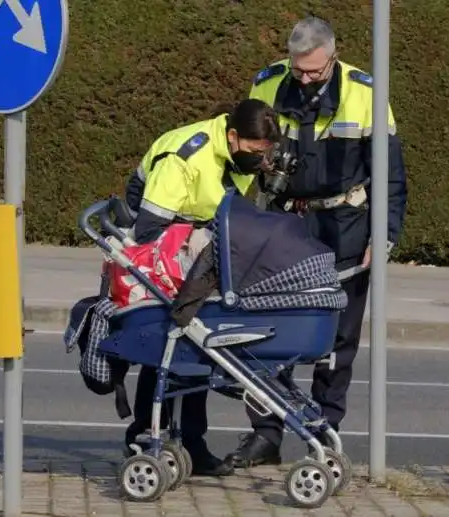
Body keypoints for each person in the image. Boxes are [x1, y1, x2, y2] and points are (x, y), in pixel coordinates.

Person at [226, 16, 409, 467]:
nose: (305, 79)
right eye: (298, 70)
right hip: (282, 225)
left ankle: (324, 434)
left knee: (337, 339)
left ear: (334, 55)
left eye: (314, 71)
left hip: (343, 224)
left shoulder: (366, 93)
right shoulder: (269, 83)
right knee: (267, 334)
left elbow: (391, 174)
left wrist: (383, 235)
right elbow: (240, 154)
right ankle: (265, 435)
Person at [122, 98, 281, 476]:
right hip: (161, 248)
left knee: (195, 345)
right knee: (169, 343)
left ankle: (190, 441)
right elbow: (148, 228)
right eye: (255, 153)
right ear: (232, 135)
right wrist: (202, 238)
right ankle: (146, 435)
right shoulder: (185, 157)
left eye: (265, 154)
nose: (259, 161)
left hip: (198, 244)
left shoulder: (234, 151)